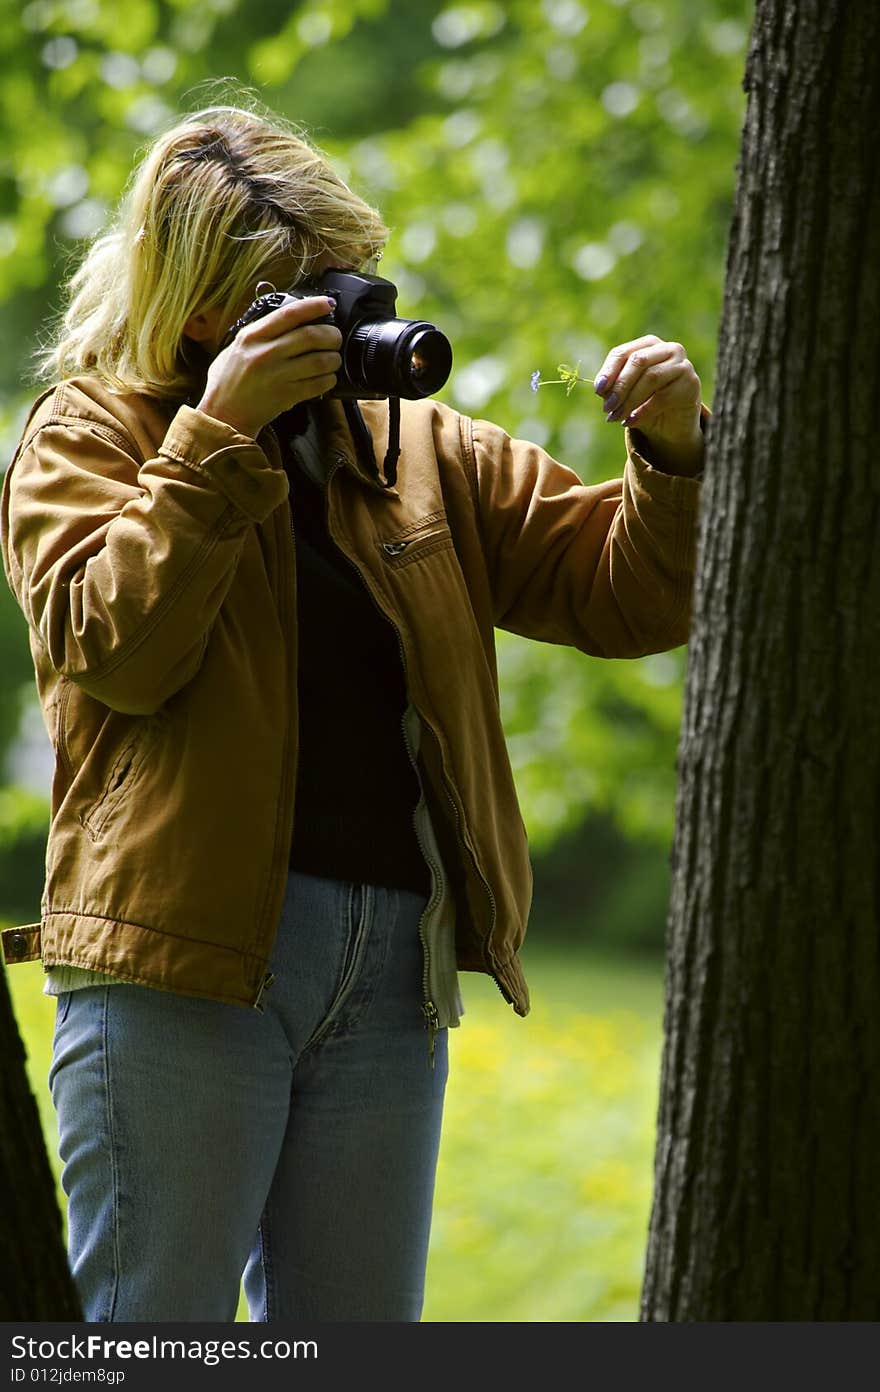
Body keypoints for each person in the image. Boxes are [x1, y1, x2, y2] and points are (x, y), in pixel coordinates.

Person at [0, 102, 705, 1323]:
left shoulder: (416, 449)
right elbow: (111, 648)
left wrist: (674, 454)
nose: (330, 325)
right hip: (184, 964)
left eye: (337, 284)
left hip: (392, 968)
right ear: (203, 302)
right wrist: (217, 434)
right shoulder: (92, 434)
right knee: (150, 1332)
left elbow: (627, 592)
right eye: (289, 300)